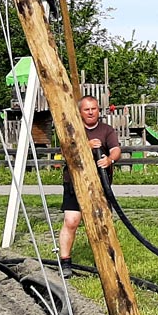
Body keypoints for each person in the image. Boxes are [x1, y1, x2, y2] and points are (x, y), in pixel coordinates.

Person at [59, 95, 121, 279]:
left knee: (101, 223)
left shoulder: (106, 130)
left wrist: (109, 159)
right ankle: (65, 261)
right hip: (75, 183)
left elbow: (116, 149)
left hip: (100, 185)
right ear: (80, 112)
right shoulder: (73, 129)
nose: (91, 112)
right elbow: (65, 150)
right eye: (87, 109)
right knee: (71, 221)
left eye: (94, 108)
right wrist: (86, 145)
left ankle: (105, 261)